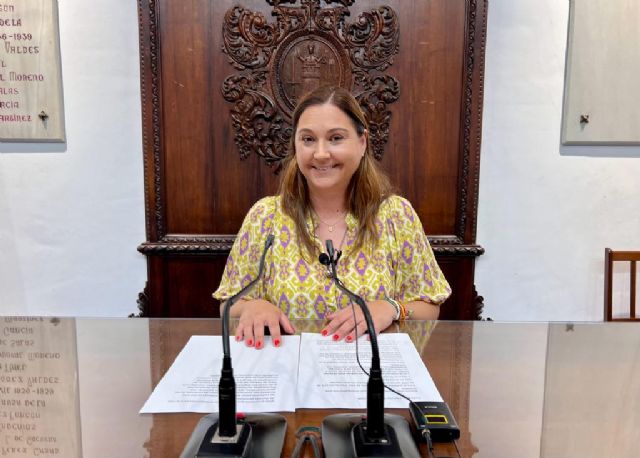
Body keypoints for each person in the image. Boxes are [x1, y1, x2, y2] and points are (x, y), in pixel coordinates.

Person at [213, 85, 451, 349]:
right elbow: (228, 304)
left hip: (370, 378)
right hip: (290, 379)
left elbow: (430, 305)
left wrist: (391, 308)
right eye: (308, 139)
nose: (321, 153)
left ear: (362, 143)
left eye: (336, 138)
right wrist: (253, 307)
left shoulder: (397, 215)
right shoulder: (265, 217)